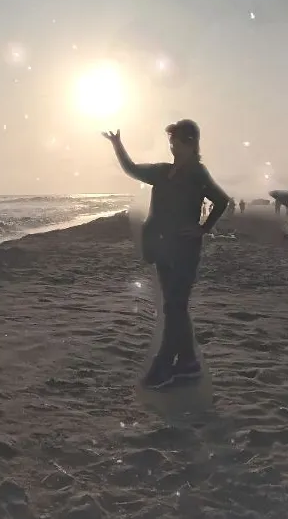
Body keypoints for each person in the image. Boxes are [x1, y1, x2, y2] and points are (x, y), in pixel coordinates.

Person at [102, 119, 229, 388]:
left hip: (184, 250)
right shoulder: (162, 171)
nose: (172, 146)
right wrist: (117, 145)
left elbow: (222, 200)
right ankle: (188, 363)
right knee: (175, 307)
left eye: (177, 141)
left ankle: (164, 365)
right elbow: (132, 169)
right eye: (170, 141)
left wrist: (203, 229)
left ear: (192, 143)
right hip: (160, 247)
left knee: (174, 306)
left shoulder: (198, 173)